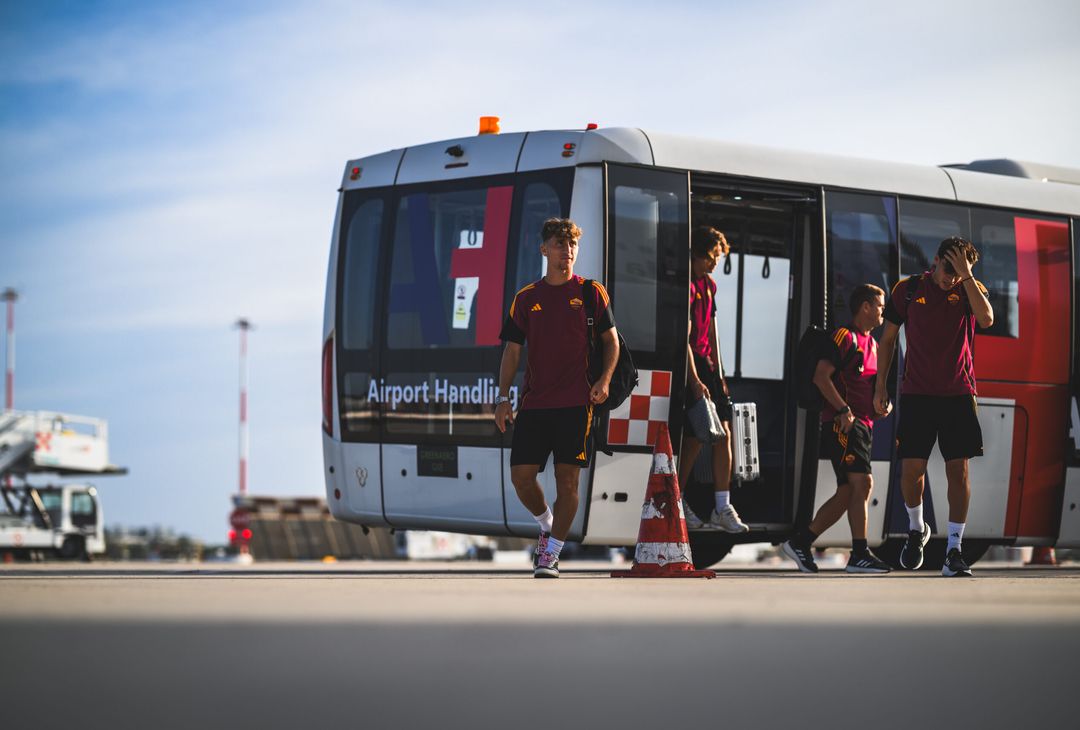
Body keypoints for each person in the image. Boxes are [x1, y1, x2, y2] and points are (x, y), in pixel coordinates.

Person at [495, 218, 619, 579]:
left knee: (568, 483)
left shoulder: (591, 292)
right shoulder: (526, 298)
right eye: (560, 244)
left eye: (572, 244)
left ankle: (550, 554)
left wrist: (605, 380)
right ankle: (547, 525)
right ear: (544, 249)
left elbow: (611, 341)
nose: (567, 250)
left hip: (577, 404)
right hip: (534, 404)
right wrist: (502, 397)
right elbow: (512, 351)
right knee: (521, 478)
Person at [874, 236, 993, 577]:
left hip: (959, 394)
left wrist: (967, 276)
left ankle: (954, 551)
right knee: (912, 472)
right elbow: (887, 340)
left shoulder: (970, 288)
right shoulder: (908, 289)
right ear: (936, 261)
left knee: (959, 471)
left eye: (958, 272)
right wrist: (881, 386)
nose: (950, 278)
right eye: (947, 270)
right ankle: (916, 528)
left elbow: (986, 319)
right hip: (917, 395)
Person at [781, 284, 893, 574]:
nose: (884, 311)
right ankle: (859, 554)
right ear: (865, 307)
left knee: (847, 492)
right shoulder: (845, 336)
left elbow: (866, 387)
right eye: (881, 306)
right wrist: (843, 410)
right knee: (863, 484)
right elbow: (821, 377)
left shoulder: (873, 344)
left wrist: (882, 405)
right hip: (843, 425)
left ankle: (801, 542)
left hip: (863, 425)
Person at [678, 226, 748, 533]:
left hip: (707, 366)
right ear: (697, 252)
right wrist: (694, 380)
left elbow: (712, 333)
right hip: (689, 365)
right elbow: (684, 338)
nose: (715, 262)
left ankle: (722, 506)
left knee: (724, 434)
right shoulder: (687, 285)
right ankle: (677, 499)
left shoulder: (710, 285)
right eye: (712, 256)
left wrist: (719, 374)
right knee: (695, 437)